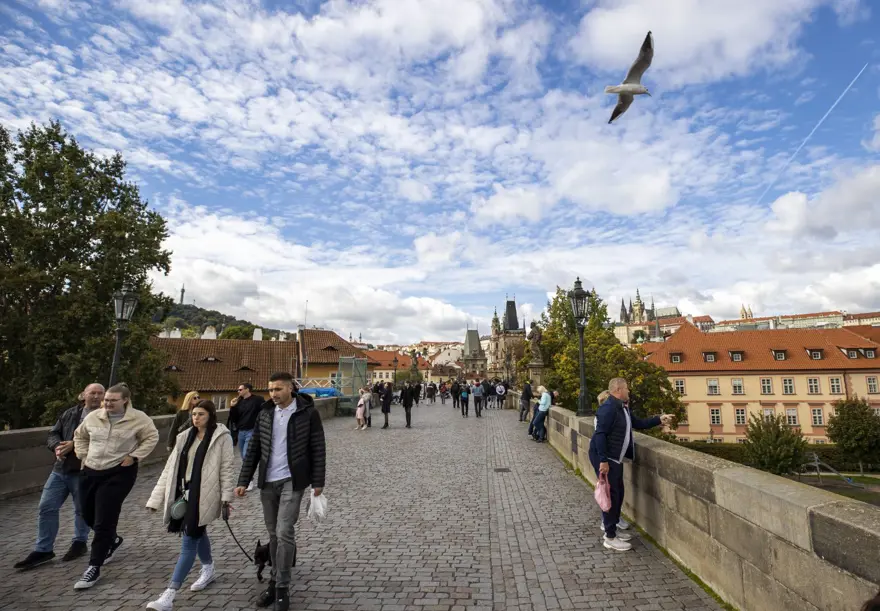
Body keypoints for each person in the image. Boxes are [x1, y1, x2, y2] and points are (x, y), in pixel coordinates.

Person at [235, 372, 326, 611]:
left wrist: (318, 481)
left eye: (277, 389)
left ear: (290, 389)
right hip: (268, 481)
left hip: (292, 480)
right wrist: (244, 479)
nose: (273, 394)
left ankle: (282, 588)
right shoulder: (265, 413)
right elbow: (254, 448)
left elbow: (318, 447)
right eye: (270, 389)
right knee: (274, 534)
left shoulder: (308, 413)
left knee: (284, 531)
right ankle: (274, 580)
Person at [145, 400, 235, 610]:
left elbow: (227, 468)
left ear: (210, 416)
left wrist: (226, 498)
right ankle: (208, 568)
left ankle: (169, 595)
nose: (196, 418)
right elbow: (169, 470)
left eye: (201, 414)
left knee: (189, 540)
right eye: (194, 414)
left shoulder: (222, 437)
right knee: (197, 532)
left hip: (204, 495)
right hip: (183, 493)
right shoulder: (184, 437)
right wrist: (155, 499)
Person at [72, 383, 159, 589]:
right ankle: (112, 540)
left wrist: (134, 456)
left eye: (113, 400)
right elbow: (80, 436)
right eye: (106, 400)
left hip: (119, 472)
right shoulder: (94, 417)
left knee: (104, 518)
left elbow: (152, 437)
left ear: (125, 400)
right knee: (86, 513)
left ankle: (94, 566)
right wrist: (83, 455)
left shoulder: (139, 419)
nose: (108, 403)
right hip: (91, 469)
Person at [14, 384, 105, 571]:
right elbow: (53, 433)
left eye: (100, 393)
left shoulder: (106, 416)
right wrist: (56, 446)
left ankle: (79, 542)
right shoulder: (70, 413)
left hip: (84, 469)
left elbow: (106, 441)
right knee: (46, 507)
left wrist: (74, 444)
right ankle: (43, 549)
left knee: (81, 510)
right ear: (83, 395)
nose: (96, 396)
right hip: (60, 469)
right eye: (92, 393)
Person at [589, 377, 672, 552]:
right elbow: (600, 435)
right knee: (611, 495)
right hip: (607, 458)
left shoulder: (622, 407)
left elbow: (638, 423)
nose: (629, 391)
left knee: (618, 493)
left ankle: (613, 528)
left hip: (615, 458)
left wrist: (659, 419)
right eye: (626, 388)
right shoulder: (608, 408)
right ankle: (609, 537)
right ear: (618, 390)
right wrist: (603, 460)